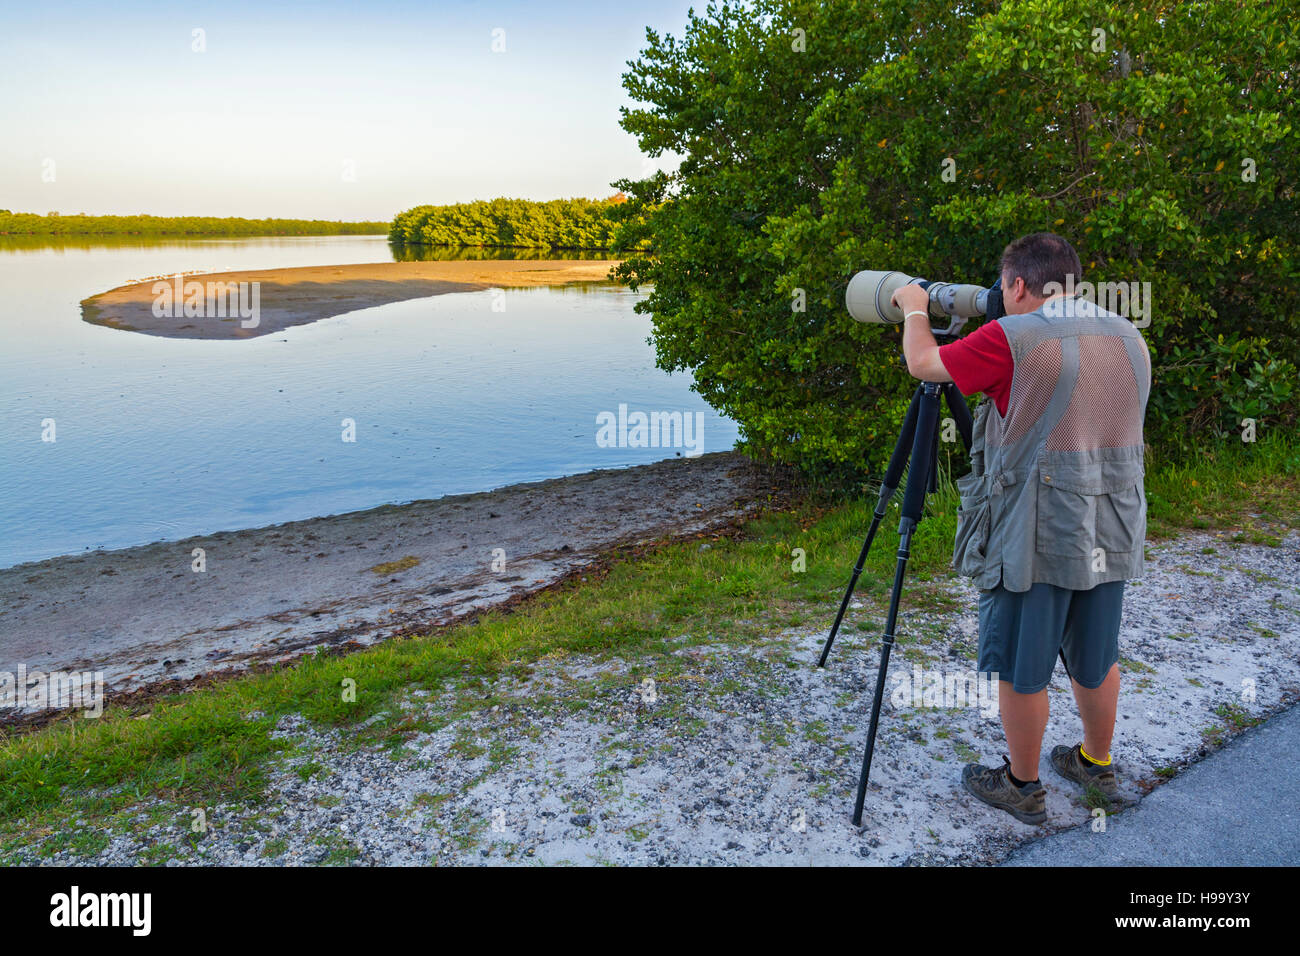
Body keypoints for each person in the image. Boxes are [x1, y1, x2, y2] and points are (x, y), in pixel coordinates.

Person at [891, 232, 1151, 824]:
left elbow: (923, 363)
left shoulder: (1016, 337)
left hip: (1037, 524)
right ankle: (1095, 762)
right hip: (1112, 518)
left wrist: (912, 306)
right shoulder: (1128, 335)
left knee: (1021, 663)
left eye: (1004, 289)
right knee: (1096, 651)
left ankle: (1023, 784)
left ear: (1015, 284)